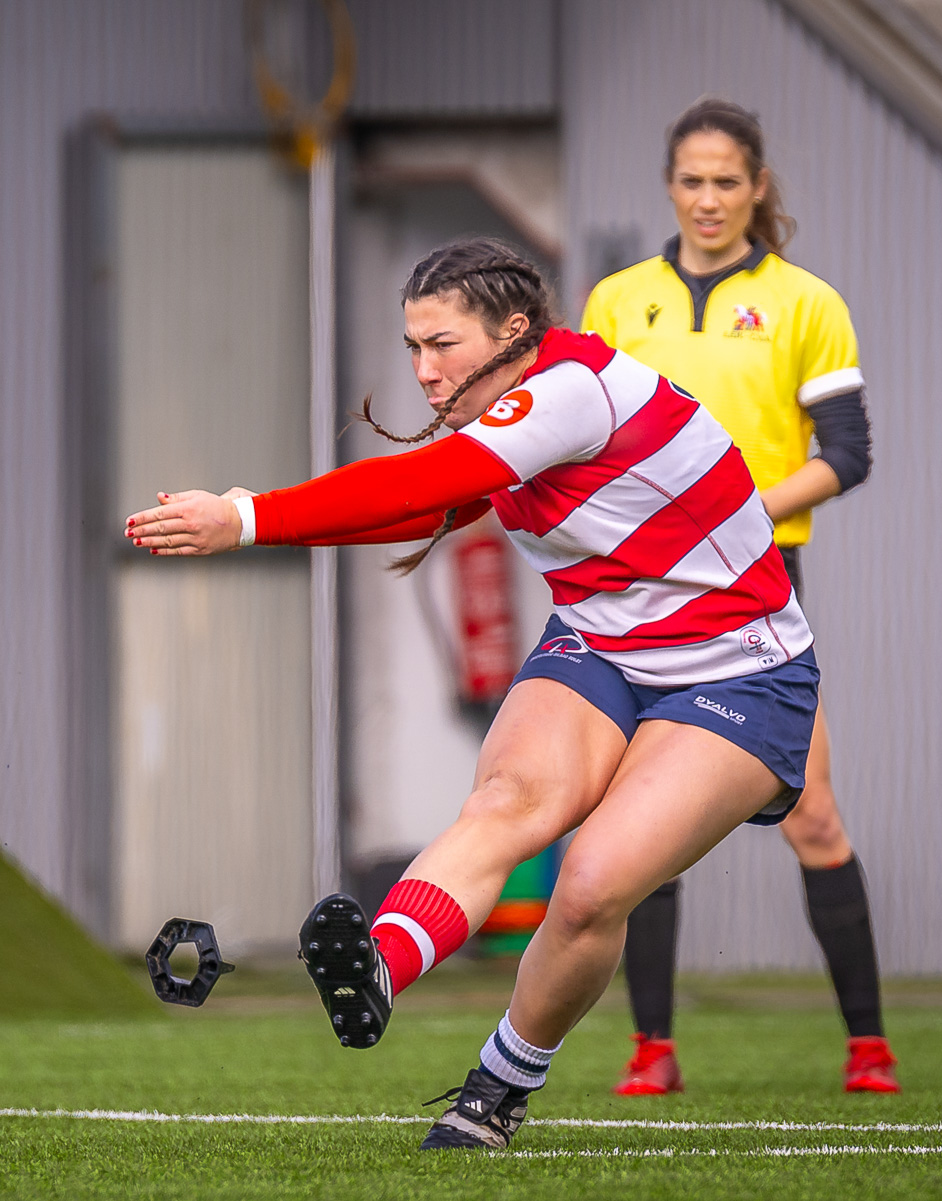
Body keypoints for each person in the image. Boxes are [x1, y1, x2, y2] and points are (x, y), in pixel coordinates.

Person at [125, 236, 821, 1150]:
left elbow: (427, 482)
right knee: (506, 801)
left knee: (590, 886)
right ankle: (380, 962)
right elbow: (432, 505)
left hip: (739, 670)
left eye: (441, 345)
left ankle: (496, 1089)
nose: (421, 369)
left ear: (514, 331)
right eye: (412, 347)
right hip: (601, 646)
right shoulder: (509, 416)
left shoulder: (569, 392)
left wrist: (248, 516)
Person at [581, 97, 896, 1096]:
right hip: (641, 593)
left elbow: (845, 454)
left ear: (757, 186)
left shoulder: (807, 301)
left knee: (813, 817)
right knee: (642, 822)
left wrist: (741, 511)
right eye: (691, 180)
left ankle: (869, 1050)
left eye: (727, 181)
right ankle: (652, 1049)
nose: (708, 199)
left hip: (760, 592)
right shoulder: (617, 302)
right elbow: (581, 439)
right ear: (668, 186)